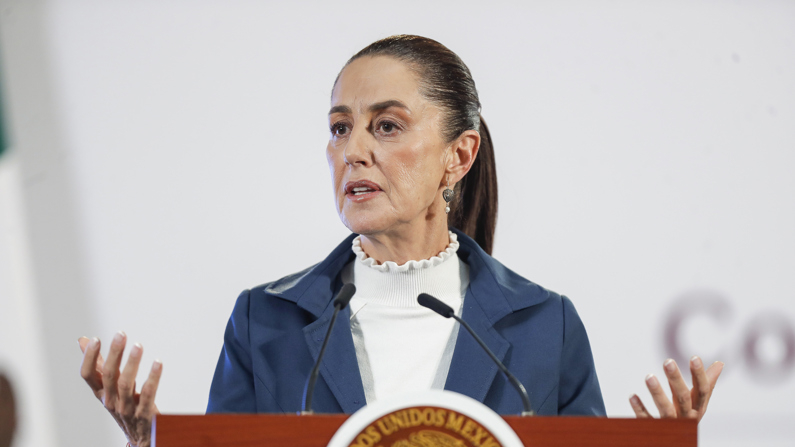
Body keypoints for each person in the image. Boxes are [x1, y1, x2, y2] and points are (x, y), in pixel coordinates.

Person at [78, 35, 724, 447]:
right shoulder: (266, 320)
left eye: (385, 126)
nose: (352, 151)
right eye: (338, 128)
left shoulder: (542, 327)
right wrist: (148, 442)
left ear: (457, 155)